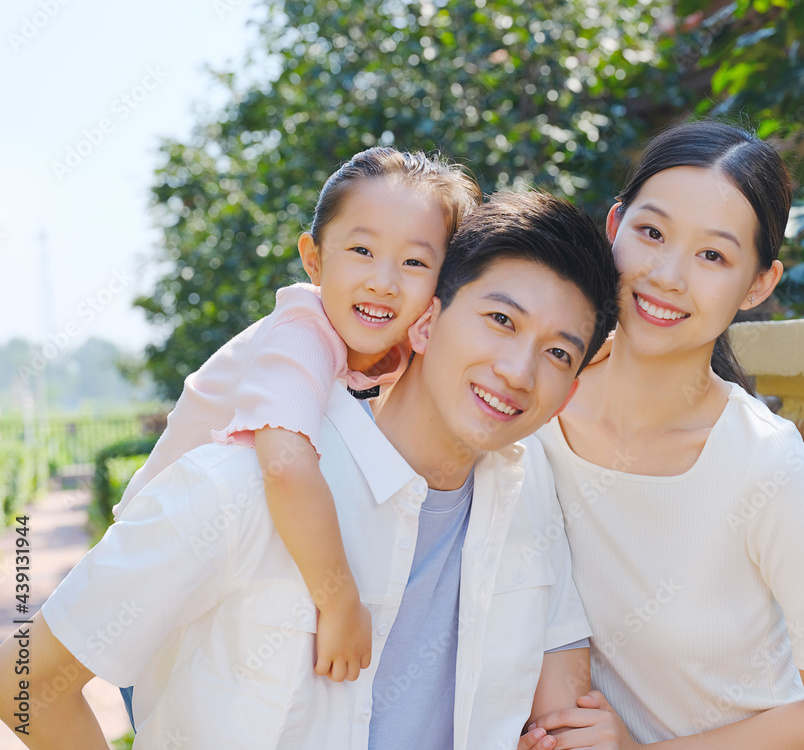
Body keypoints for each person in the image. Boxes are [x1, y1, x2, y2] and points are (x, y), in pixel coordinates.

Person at [0, 191, 620, 749]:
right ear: (427, 321)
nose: (518, 370)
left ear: (566, 393)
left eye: (558, 352)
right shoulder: (240, 485)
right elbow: (25, 683)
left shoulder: (528, 498)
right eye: (501, 320)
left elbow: (559, 705)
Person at [528, 121, 804, 750]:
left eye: (712, 255)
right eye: (652, 233)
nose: (667, 274)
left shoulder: (761, 462)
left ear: (758, 285)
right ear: (614, 228)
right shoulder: (533, 403)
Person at [115, 146, 481, 687]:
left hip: (219, 574)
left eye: (415, 262)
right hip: (155, 576)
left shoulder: (391, 345)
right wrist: (340, 605)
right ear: (314, 259)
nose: (384, 280)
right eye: (361, 249)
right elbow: (284, 465)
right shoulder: (301, 330)